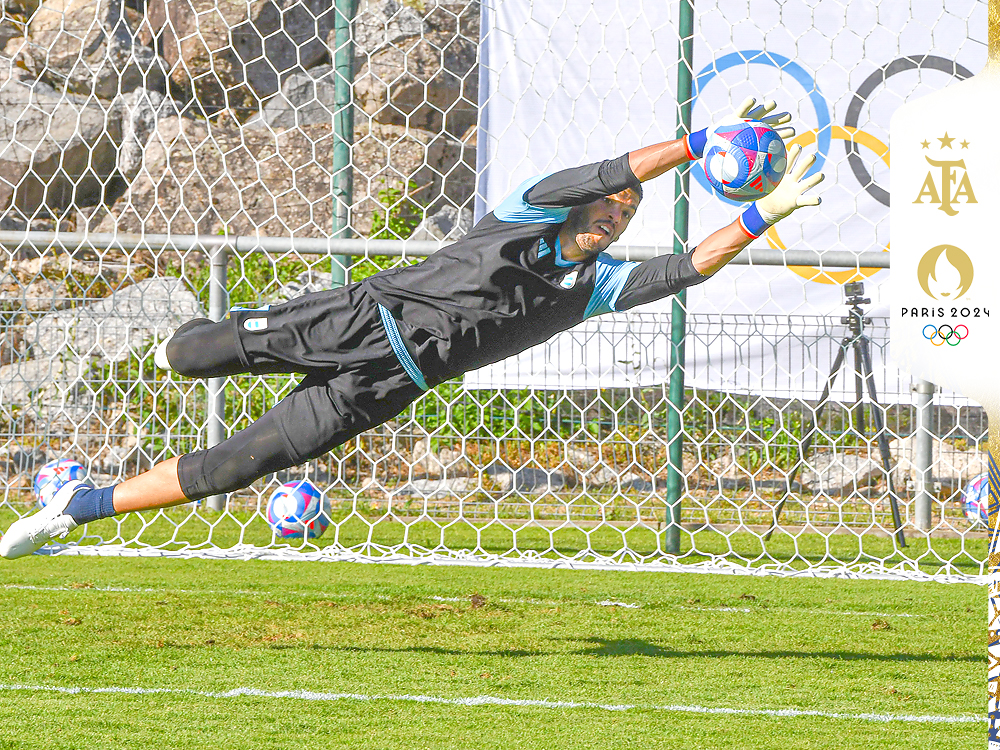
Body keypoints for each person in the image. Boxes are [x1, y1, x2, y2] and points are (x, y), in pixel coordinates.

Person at [0, 97, 822, 559]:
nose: (616, 212)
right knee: (188, 354)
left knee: (236, 466)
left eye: (627, 213)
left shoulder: (594, 285)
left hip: (389, 384)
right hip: (359, 315)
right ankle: (198, 327)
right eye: (609, 204)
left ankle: (77, 507)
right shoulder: (528, 209)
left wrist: (760, 213)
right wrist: (694, 143)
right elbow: (617, 166)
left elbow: (688, 267)